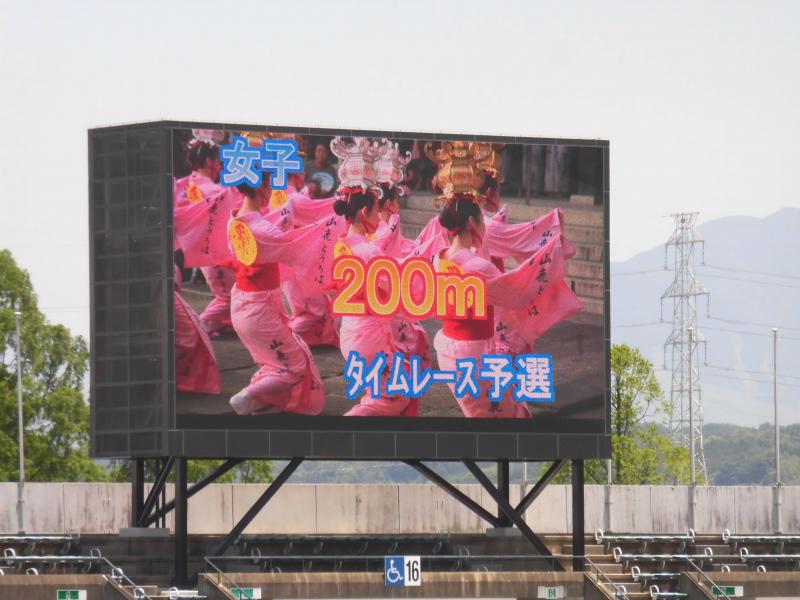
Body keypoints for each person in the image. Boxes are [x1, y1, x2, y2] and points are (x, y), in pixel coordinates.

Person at [224, 181, 326, 416]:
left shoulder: (235, 220)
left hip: (242, 302)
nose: (271, 191)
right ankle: (249, 395)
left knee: (277, 362)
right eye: (269, 186)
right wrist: (324, 230)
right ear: (261, 188)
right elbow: (295, 250)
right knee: (294, 366)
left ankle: (265, 403)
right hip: (259, 309)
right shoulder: (262, 229)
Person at [333, 186, 430, 416]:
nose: (379, 218)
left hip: (351, 331)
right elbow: (397, 284)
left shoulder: (342, 245)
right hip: (369, 337)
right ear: (364, 212)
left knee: (387, 392)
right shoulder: (369, 252)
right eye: (376, 211)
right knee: (396, 396)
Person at [173, 130, 238, 335]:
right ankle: (197, 329)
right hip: (214, 253)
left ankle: (219, 324)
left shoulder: (188, 183)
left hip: (203, 249)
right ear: (209, 161)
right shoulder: (214, 190)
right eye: (218, 160)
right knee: (228, 297)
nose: (220, 165)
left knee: (227, 294)